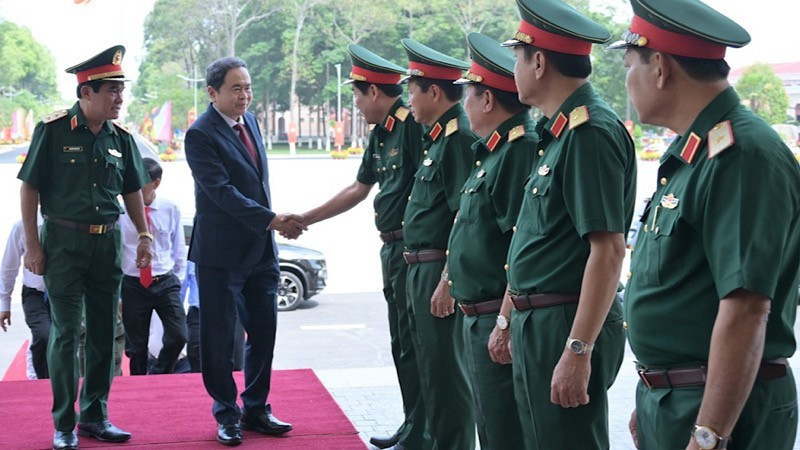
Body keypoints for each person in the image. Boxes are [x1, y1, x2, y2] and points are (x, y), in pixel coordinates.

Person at [609, 0, 800, 448]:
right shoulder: (694, 154)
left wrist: (710, 432)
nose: (627, 80)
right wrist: (658, 390)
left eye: (628, 65)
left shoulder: (740, 154)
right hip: (682, 399)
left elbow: (747, 309)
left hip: (722, 413)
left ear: (659, 67)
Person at [498, 0, 636, 447]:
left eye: (517, 58)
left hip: (564, 321)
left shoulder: (588, 132)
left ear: (538, 61)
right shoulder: (561, 132)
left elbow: (609, 249)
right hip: (543, 319)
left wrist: (578, 350)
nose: (512, 69)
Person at [17, 45, 153, 450]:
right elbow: (30, 188)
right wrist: (33, 246)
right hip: (62, 242)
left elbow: (133, 190)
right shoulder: (53, 130)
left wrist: (143, 236)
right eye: (112, 90)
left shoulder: (121, 137)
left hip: (106, 242)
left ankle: (96, 414)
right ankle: (64, 423)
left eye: (121, 90)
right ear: (87, 92)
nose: (119, 98)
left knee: (103, 331)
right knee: (65, 332)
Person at [294, 44, 427, 450]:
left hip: (415, 250)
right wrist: (306, 219)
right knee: (402, 345)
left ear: (374, 93)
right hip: (392, 251)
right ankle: (411, 426)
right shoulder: (381, 133)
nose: (354, 103)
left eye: (356, 94)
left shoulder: (413, 126)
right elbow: (359, 188)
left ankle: (424, 432)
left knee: (421, 348)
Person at [185, 57, 302, 446]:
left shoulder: (250, 122)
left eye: (248, 87)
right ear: (212, 92)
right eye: (236, 88)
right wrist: (272, 219)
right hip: (220, 254)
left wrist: (269, 226)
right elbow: (220, 192)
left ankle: (256, 408)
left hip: (261, 250)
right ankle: (226, 414)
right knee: (219, 340)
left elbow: (255, 183)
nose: (245, 96)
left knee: (264, 332)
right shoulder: (199, 134)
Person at [447, 32, 535, 449]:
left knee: (505, 433)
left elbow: (521, 245)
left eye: (468, 96)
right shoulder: (495, 150)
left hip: (497, 316)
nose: (463, 106)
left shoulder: (519, 150)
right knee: (491, 428)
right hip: (479, 315)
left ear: (486, 100)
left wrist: (503, 320)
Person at [400, 38, 477, 449]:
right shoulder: (438, 137)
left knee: (448, 380)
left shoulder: (459, 138)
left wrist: (447, 279)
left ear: (433, 91)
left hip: (437, 271)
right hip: (419, 268)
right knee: (431, 374)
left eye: (412, 90)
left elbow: (465, 217)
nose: (408, 99)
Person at [120, 157, 187, 375]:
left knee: (179, 335)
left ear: (156, 183)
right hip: (133, 283)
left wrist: (178, 277)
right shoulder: (120, 212)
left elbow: (178, 246)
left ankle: (159, 373)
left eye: (141, 182)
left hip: (165, 281)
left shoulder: (170, 208)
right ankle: (139, 388)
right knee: (136, 347)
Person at [1, 215, 49, 379]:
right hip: (35, 293)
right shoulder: (21, 227)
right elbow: (9, 267)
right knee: (44, 335)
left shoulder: (68, 224)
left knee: (63, 339)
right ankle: (40, 379)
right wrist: (4, 304)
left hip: (65, 292)